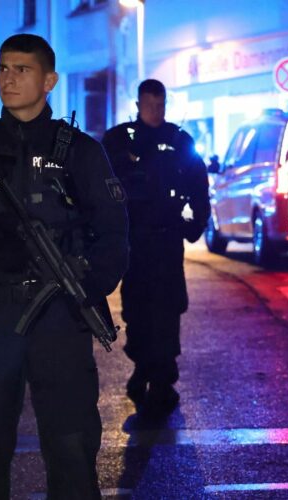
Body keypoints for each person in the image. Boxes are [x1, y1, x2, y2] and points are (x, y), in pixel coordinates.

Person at [0, 34, 128, 498]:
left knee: (72, 446)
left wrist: (85, 286)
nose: (8, 79)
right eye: (3, 69)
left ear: (49, 80)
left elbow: (113, 232)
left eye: (22, 70)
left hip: (60, 317)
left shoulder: (80, 151)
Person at [101, 79, 210, 419]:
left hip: (165, 240)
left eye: (160, 106)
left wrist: (195, 225)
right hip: (134, 242)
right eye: (150, 105)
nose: (155, 111)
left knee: (167, 310)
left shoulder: (179, 141)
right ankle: (143, 366)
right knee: (136, 310)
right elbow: (100, 187)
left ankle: (162, 379)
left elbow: (199, 186)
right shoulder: (119, 140)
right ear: (139, 104)